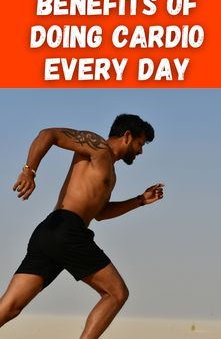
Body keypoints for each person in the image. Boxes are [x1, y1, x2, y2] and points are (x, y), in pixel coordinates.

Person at [0, 114, 164, 338]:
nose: (140, 151)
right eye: (140, 143)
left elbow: (100, 214)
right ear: (127, 136)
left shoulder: (111, 173)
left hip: (49, 232)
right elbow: (49, 134)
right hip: (68, 229)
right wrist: (29, 171)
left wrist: (140, 201)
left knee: (9, 308)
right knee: (116, 294)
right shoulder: (97, 147)